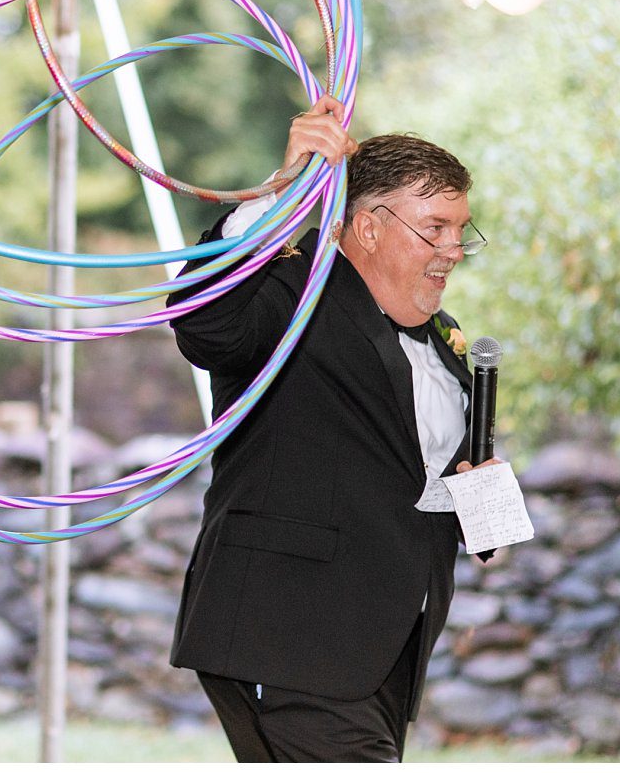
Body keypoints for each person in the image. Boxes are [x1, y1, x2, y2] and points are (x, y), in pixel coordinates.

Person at [167, 95, 498, 762]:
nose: (455, 250)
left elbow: (421, 475)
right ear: (369, 227)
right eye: (436, 228)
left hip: (382, 648)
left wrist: (488, 510)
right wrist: (277, 190)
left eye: (462, 230)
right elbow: (204, 323)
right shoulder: (294, 290)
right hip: (289, 630)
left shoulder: (445, 338)